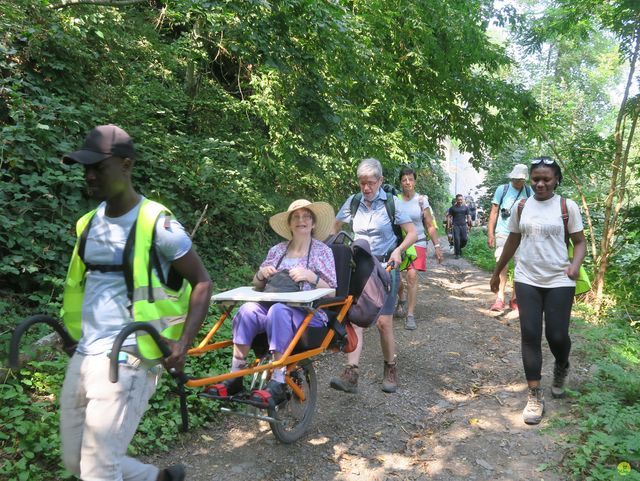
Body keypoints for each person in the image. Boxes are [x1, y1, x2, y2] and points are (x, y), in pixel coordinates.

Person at [60, 125, 213, 481]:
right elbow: (86, 290)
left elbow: (202, 281)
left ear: (126, 165)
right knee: (74, 462)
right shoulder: (87, 225)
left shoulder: (157, 224)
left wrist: (183, 343)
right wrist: (71, 335)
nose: (89, 174)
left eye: (99, 166)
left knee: (98, 470)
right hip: (84, 355)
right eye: (86, 166)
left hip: (128, 358)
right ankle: (157, 479)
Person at [207, 199, 337, 404]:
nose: (301, 220)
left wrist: (311, 277)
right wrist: (261, 274)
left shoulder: (323, 252)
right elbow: (257, 285)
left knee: (278, 311)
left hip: (308, 314)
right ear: (289, 223)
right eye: (296, 216)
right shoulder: (277, 250)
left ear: (313, 224)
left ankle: (277, 381)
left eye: (306, 217)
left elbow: (332, 292)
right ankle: (235, 376)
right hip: (270, 307)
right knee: (247, 310)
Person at [490, 157, 586, 425]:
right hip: (527, 277)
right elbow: (512, 241)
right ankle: (534, 394)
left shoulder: (568, 206)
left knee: (557, 335)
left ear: (556, 180)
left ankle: (562, 365)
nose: (541, 184)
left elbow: (579, 243)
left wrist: (575, 266)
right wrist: (497, 271)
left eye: (546, 179)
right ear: (530, 180)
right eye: (536, 179)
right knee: (530, 335)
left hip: (559, 278)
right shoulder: (522, 206)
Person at [330, 158, 417, 393]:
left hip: (385, 267)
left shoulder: (392, 203)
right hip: (358, 266)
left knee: (383, 322)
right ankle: (352, 373)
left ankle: (390, 367)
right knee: (355, 317)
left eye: (370, 183)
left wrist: (398, 250)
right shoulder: (354, 202)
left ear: (380, 180)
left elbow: (412, 233)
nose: (366, 188)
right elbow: (334, 228)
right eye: (361, 183)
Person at [393, 167, 443, 330]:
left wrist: (437, 246)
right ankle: (401, 298)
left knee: (412, 276)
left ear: (415, 181)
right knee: (397, 279)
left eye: (410, 179)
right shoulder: (395, 200)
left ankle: (410, 314)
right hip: (400, 244)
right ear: (400, 182)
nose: (407, 182)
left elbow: (429, 224)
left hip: (418, 241)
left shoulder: (421, 200)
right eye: (404, 179)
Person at [487, 163, 532, 312]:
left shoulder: (529, 191)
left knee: (520, 266)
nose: (516, 181)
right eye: (514, 178)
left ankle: (515, 298)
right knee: (502, 263)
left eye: (519, 179)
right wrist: (490, 233)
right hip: (503, 232)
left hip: (522, 234)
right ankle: (500, 298)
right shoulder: (503, 189)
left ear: (524, 179)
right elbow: (494, 212)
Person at [447, 194, 472, 259]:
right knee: (457, 239)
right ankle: (457, 254)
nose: (460, 201)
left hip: (463, 225)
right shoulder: (452, 208)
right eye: (458, 200)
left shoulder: (465, 207)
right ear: (456, 200)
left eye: (461, 199)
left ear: (462, 200)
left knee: (465, 239)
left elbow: (468, 216)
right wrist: (449, 225)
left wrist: (469, 224)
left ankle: (459, 248)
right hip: (455, 226)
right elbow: (449, 217)